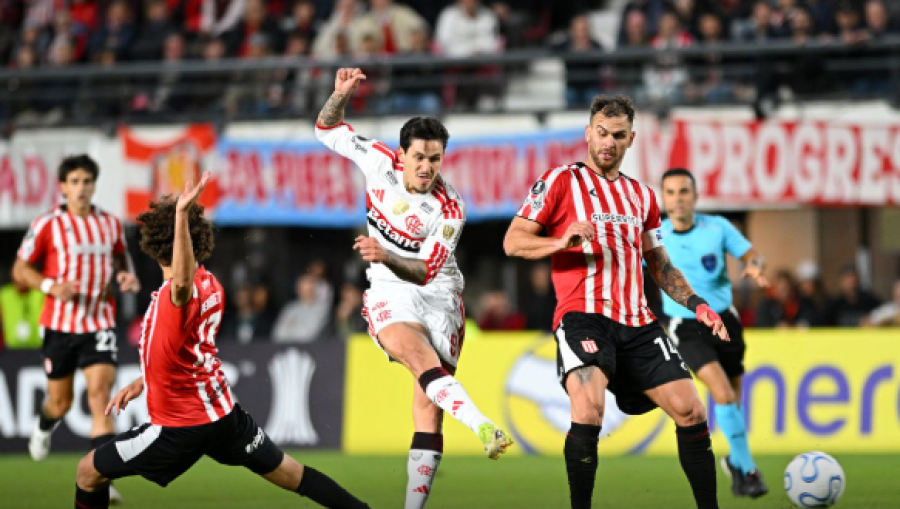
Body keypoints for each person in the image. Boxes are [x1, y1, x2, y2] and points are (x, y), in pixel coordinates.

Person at [72, 173, 370, 509]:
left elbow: (181, 285)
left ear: (157, 243)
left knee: (87, 472)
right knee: (292, 474)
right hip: (222, 415)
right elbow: (190, 349)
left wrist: (181, 216)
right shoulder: (211, 283)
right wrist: (146, 379)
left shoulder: (177, 292)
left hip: (178, 426)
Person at [503, 95, 727, 509]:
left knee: (691, 410)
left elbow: (659, 264)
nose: (608, 142)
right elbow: (513, 241)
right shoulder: (559, 181)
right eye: (601, 133)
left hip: (638, 323)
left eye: (618, 135)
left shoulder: (642, 197)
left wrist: (698, 304)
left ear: (631, 140)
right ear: (588, 134)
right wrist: (560, 240)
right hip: (582, 318)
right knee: (588, 410)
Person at [315, 68, 513, 509]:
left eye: (436, 159)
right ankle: (483, 425)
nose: (427, 167)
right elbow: (325, 127)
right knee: (414, 354)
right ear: (401, 154)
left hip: (438, 293)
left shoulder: (450, 208)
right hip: (387, 288)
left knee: (428, 407)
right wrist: (340, 96)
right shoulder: (377, 159)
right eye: (420, 157)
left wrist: (384, 253)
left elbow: (425, 272)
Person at [12, 154, 140, 504]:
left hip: (99, 321)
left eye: (87, 181)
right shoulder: (47, 224)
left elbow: (120, 258)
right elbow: (20, 269)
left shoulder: (110, 224)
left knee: (100, 396)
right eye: (75, 181)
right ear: (63, 186)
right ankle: (44, 424)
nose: (81, 188)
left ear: (94, 185)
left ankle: (103, 478)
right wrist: (50, 286)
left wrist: (127, 276)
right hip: (59, 325)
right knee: (61, 403)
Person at [659, 167, 769, 498]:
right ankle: (749, 471)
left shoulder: (717, 227)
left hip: (727, 321)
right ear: (663, 199)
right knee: (723, 393)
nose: (678, 200)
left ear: (695, 195)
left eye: (683, 192)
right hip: (687, 326)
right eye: (671, 193)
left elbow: (752, 254)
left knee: (733, 398)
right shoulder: (657, 236)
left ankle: (735, 463)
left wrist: (754, 266)